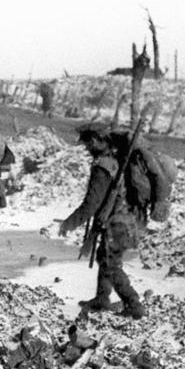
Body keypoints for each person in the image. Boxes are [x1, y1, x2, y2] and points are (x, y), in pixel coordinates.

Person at [58, 122, 146, 319]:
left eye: (88, 143)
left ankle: (133, 303)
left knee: (111, 264)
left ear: (96, 141)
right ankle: (102, 298)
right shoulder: (115, 159)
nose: (87, 148)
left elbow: (91, 204)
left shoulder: (102, 167)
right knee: (103, 256)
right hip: (127, 220)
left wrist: (69, 223)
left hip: (117, 223)